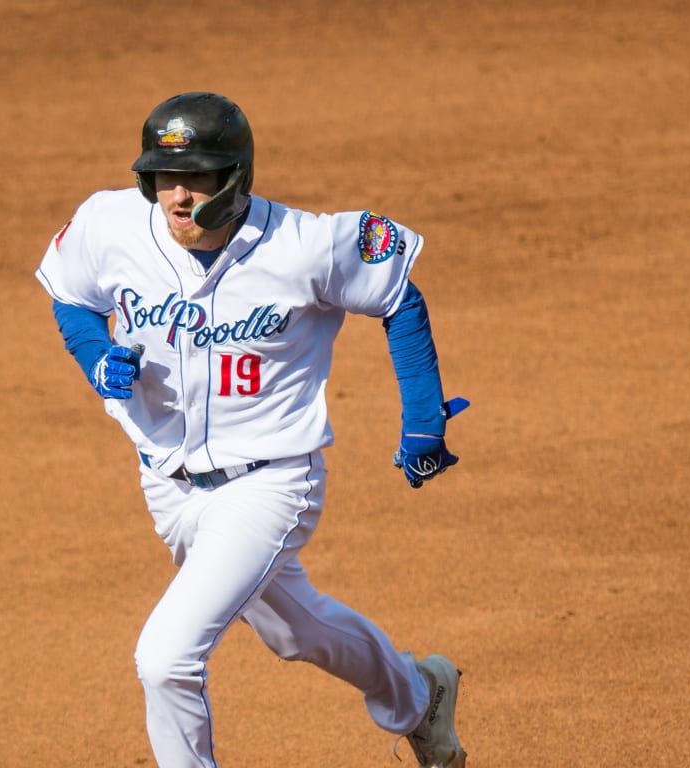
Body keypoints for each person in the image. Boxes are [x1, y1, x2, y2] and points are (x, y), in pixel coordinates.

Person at [34, 91, 469, 768]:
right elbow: (71, 294)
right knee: (297, 631)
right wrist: (95, 356)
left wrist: (422, 419)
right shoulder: (110, 224)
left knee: (165, 658)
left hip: (271, 483)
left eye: (198, 176)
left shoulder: (303, 245)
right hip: (167, 487)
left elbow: (397, 295)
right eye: (165, 176)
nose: (178, 194)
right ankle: (421, 697)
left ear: (235, 177)